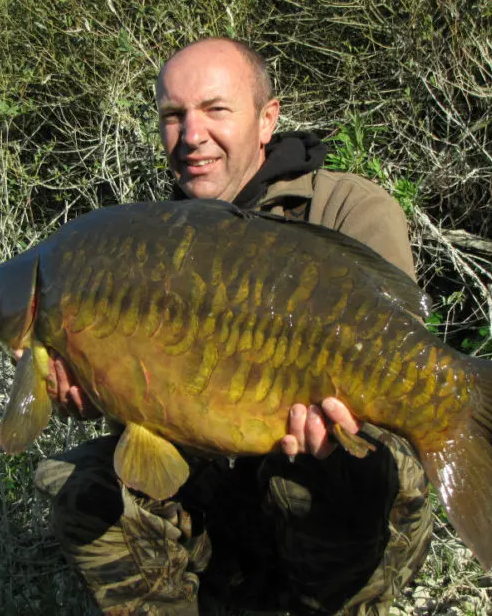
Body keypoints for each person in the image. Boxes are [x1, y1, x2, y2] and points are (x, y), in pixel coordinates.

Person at [33, 37, 432, 615]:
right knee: (86, 484)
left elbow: (398, 359)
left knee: (348, 467)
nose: (191, 135)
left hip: (329, 487)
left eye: (215, 110)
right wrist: (101, 389)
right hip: (215, 484)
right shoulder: (151, 240)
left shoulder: (348, 209)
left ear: (267, 118)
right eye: (173, 115)